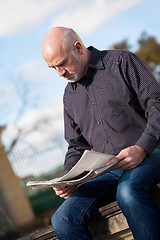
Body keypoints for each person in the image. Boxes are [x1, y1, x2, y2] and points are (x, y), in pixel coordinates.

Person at [42, 27, 160, 240]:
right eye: (53, 68)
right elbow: (77, 145)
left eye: (61, 64)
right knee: (62, 219)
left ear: (78, 48)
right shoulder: (69, 96)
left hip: (152, 153)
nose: (60, 73)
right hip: (107, 172)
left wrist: (143, 147)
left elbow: (157, 104)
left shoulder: (121, 61)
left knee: (128, 192)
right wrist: (70, 178)